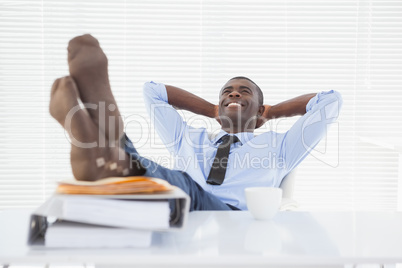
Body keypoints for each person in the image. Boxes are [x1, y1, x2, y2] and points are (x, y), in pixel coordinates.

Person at [49, 34, 343, 211]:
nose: (234, 93)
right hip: (175, 203)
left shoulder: (281, 147)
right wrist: (214, 110)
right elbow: (153, 91)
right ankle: (107, 143)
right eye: (226, 92)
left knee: (180, 184)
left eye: (244, 92)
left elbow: (330, 101)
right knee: (151, 171)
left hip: (227, 214)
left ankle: (104, 150)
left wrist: (271, 112)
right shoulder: (189, 138)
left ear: (259, 108)